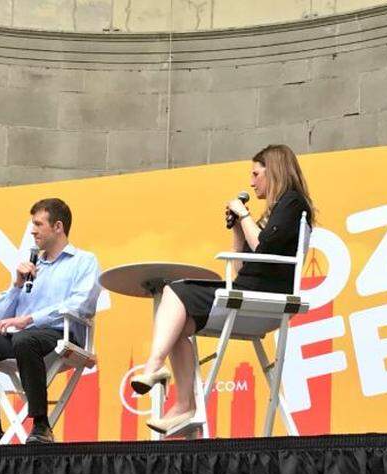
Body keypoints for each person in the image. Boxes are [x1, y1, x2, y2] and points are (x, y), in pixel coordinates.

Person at [130, 144, 315, 434]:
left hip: (267, 297)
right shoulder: (273, 213)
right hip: (250, 289)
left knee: (175, 292)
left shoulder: (293, 203)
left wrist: (243, 215)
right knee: (179, 323)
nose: (252, 182)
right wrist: (237, 231)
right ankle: (183, 404)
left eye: (256, 174)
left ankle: (155, 367)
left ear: (274, 170)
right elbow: (242, 269)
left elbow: (265, 248)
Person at [0, 198, 101, 445]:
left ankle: (41, 425)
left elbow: (82, 304)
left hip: (61, 334)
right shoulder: (32, 265)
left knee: (26, 338)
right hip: (26, 337)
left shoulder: (84, 261)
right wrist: (16, 284)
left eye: (38, 224)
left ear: (58, 226)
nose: (32, 230)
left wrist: (31, 318)